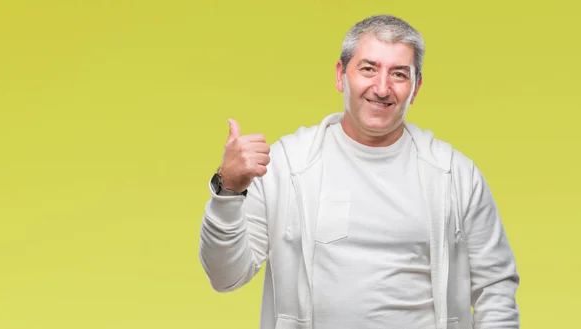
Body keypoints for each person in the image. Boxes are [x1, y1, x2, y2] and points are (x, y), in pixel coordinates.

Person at [198, 14, 520, 329]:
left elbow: (496, 287)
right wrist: (228, 190)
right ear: (341, 75)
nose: (381, 88)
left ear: (416, 87)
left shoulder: (455, 175)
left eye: (398, 74)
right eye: (368, 69)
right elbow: (225, 276)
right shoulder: (287, 166)